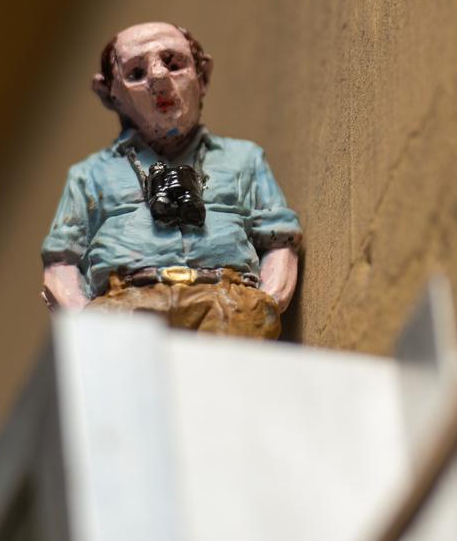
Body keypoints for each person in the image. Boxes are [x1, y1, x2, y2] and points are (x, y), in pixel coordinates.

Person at [40, 21, 301, 339]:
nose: (159, 78)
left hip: (228, 301)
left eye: (174, 64)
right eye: (136, 73)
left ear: (203, 76)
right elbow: (62, 260)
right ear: (111, 94)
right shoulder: (90, 174)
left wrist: (268, 300)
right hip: (126, 307)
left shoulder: (244, 158)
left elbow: (280, 239)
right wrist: (87, 319)